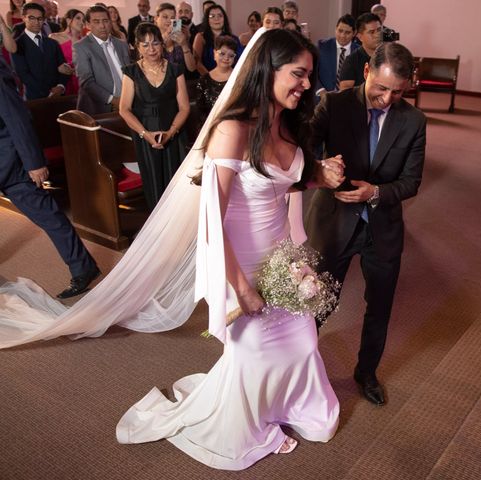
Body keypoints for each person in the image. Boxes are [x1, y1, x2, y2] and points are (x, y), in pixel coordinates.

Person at [116, 27, 342, 471]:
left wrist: (320, 175)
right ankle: (250, 420)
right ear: (268, 69)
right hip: (240, 264)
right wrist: (241, 289)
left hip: (284, 262)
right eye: (298, 74)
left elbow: (286, 179)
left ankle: (288, 407)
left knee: (301, 342)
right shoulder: (232, 130)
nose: (306, 85)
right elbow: (210, 226)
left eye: (309, 75)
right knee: (255, 351)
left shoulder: (287, 122)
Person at [306, 42, 427, 406]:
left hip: (382, 229)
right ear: (366, 73)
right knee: (317, 302)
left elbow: (411, 182)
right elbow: (305, 148)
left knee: (380, 306)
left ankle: (366, 372)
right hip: (332, 223)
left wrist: (374, 192)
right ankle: (299, 371)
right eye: (381, 87)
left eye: (397, 92)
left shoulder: (414, 121)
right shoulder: (335, 104)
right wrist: (321, 167)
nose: (388, 98)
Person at [0, 56, 100, 299]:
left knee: (49, 216)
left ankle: (83, 268)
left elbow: (17, 118)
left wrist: (34, 163)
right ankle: (83, 266)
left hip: (9, 162)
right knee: (49, 215)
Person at [119, 22, 190, 209]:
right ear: (137, 47)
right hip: (145, 135)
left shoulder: (175, 69)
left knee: (177, 184)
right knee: (154, 185)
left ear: (162, 44)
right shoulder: (131, 71)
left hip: (173, 133)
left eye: (156, 43)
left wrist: (171, 132)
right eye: (145, 45)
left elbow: (184, 107)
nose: (151, 49)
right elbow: (124, 109)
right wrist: (145, 134)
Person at [74, 5, 129, 115]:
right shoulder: (81, 47)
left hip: (127, 105)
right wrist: (113, 101)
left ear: (110, 22)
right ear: (88, 25)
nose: (102, 26)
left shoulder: (121, 45)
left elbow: (130, 74)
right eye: (96, 22)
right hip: (99, 109)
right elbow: (86, 81)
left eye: (105, 21)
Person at [11, 2, 68, 100]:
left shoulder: (52, 43)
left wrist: (60, 86)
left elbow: (63, 68)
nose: (37, 22)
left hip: (59, 97)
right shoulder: (17, 45)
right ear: (24, 18)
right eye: (31, 18)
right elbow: (23, 74)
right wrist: (48, 92)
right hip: (34, 98)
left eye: (40, 19)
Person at [196, 34, 235, 129]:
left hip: (235, 128)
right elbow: (200, 112)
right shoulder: (204, 80)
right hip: (209, 129)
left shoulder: (239, 78)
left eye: (231, 55)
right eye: (222, 53)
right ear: (214, 54)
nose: (226, 58)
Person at [193, 3, 240, 75]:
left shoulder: (234, 38)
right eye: (212, 16)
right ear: (207, 20)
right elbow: (197, 63)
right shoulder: (200, 37)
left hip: (230, 78)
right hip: (207, 78)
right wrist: (211, 79)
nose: (216, 18)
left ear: (224, 19)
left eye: (220, 15)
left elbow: (241, 61)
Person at [338, 12, 382, 90]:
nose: (377, 35)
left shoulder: (389, 56)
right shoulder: (351, 61)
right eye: (372, 32)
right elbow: (345, 94)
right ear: (360, 37)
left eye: (379, 30)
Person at [316, 14, 356, 96]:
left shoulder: (359, 51)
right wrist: (321, 91)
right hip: (322, 100)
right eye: (340, 31)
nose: (342, 36)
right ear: (335, 29)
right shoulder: (322, 46)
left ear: (354, 33)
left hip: (348, 100)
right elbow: (312, 73)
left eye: (347, 32)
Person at [48, 8, 84, 95]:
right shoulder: (54, 37)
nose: (82, 22)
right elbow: (49, 61)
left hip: (81, 81)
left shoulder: (84, 40)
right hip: (62, 81)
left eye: (83, 20)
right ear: (68, 20)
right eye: (78, 18)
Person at [154, 3, 196, 74]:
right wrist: (165, 35)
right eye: (165, 17)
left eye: (172, 18)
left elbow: (192, 68)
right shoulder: (150, 40)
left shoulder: (179, 38)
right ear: (156, 19)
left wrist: (184, 45)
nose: (169, 21)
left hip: (181, 81)